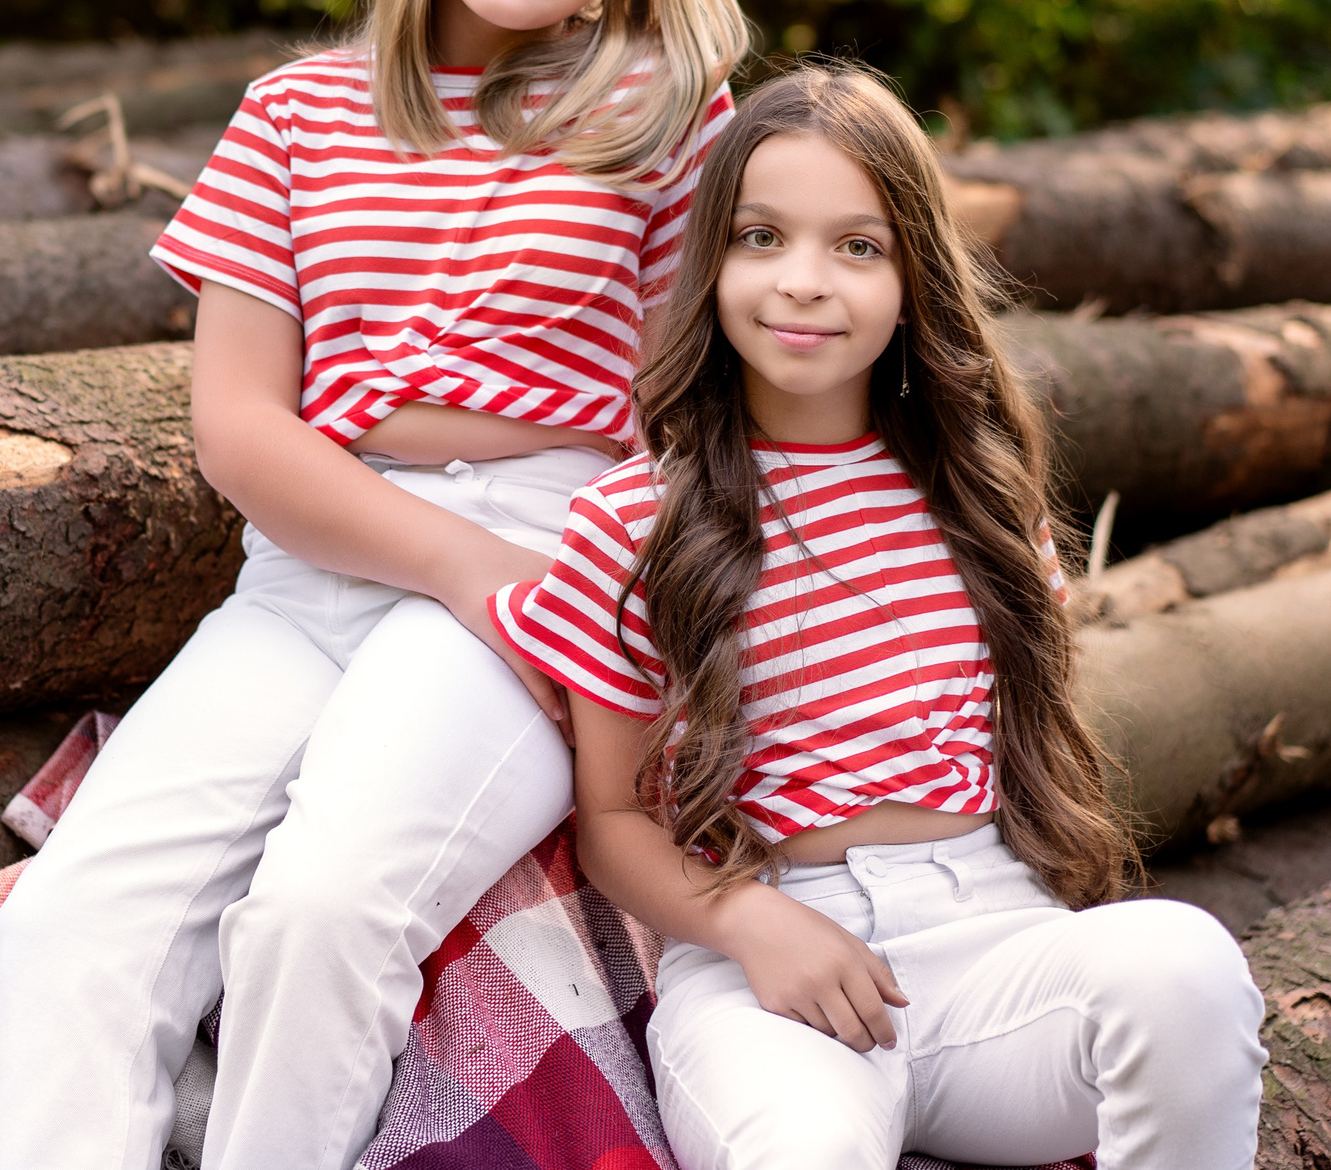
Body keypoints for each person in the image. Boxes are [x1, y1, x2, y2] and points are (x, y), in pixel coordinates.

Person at [0, 0, 751, 1170]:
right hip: (320, 548)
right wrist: (464, 566)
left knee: (324, 905)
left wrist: (582, 594)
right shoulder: (296, 110)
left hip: (556, 539)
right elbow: (242, 424)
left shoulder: (661, 115)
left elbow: (691, 407)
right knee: (84, 913)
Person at [491, 64, 1268, 1170]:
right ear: (709, 260)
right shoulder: (631, 519)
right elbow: (611, 821)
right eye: (762, 237)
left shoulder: (980, 503)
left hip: (995, 942)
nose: (803, 281)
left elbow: (1029, 744)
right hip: (765, 965)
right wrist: (746, 923)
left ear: (913, 279)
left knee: (1183, 965)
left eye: (856, 246)